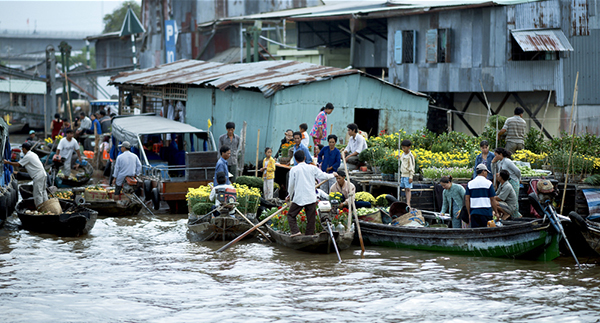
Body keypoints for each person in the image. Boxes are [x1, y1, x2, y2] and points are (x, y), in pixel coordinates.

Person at [286, 150, 337, 237]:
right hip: (311, 197)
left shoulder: (293, 170)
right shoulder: (312, 168)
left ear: (295, 159)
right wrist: (333, 174)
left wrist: (289, 196)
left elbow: (291, 186)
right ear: (305, 158)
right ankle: (309, 235)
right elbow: (323, 175)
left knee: (291, 215)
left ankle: (295, 232)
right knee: (311, 219)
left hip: (299, 198)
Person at [4, 142, 47, 207]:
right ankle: (46, 206)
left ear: (24, 148)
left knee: (37, 193)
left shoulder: (28, 156)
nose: (22, 150)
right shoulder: (33, 154)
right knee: (43, 192)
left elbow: (18, 164)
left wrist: (7, 162)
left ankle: (40, 208)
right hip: (43, 174)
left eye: (22, 149)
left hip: (38, 176)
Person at [465, 164, 499, 228]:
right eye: (486, 172)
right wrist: (496, 212)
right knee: (487, 233)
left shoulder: (470, 183)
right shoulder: (488, 183)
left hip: (474, 212)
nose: (487, 174)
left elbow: (467, 199)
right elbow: (492, 199)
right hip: (486, 212)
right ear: (483, 171)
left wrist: (469, 212)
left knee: (476, 233)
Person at [400, 139, 415, 208]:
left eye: (404, 148)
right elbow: (403, 162)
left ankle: (408, 203)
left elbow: (412, 167)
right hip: (403, 174)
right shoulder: (403, 154)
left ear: (409, 147)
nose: (403, 149)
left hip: (407, 175)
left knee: (408, 189)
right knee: (405, 188)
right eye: (402, 147)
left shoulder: (410, 156)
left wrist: (411, 177)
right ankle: (406, 201)